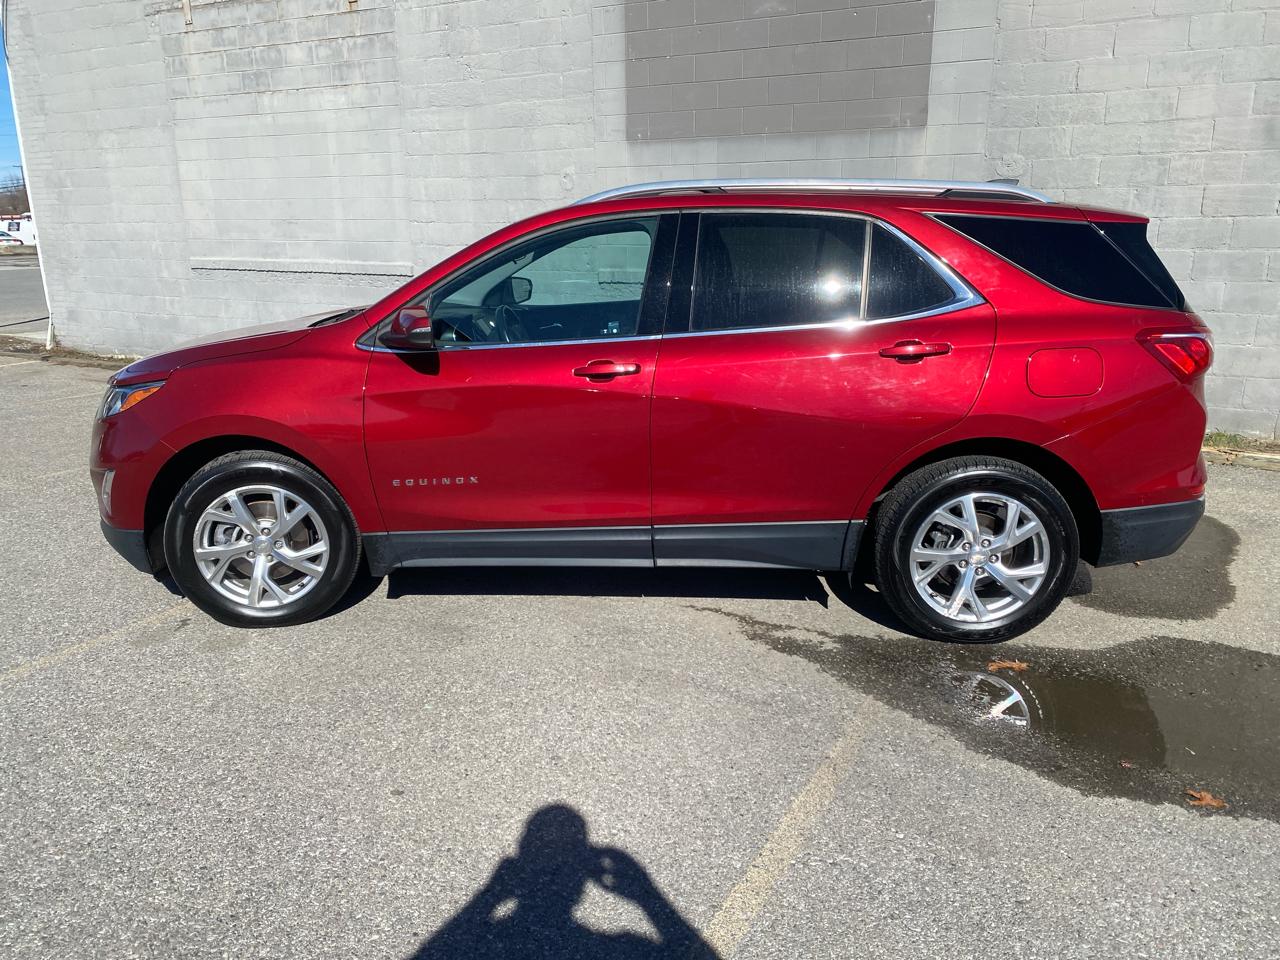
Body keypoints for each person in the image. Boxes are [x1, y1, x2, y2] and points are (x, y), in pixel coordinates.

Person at [413, 804, 719, 959]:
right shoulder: (619, 951)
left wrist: (488, 897)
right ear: (584, 879)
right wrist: (648, 896)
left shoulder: (482, 945)